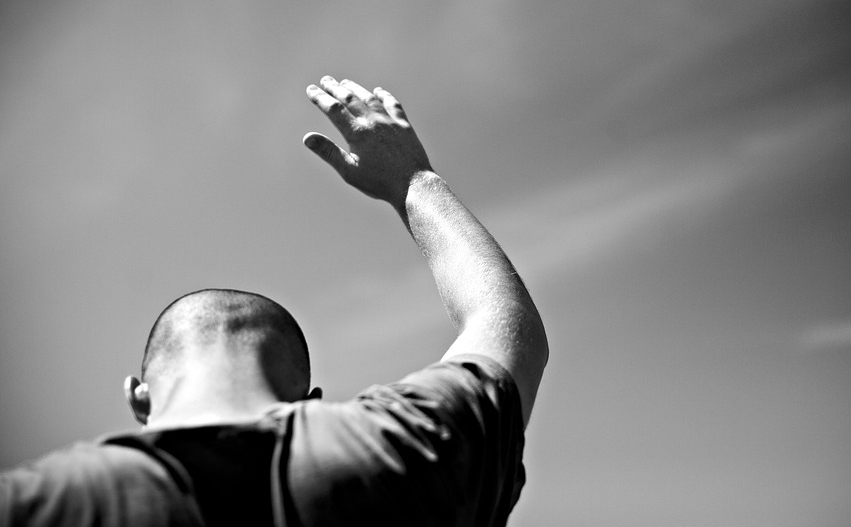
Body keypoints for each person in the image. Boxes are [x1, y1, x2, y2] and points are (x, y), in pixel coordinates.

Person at [0, 76, 549, 527]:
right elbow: (506, 322)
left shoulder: (38, 502)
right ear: (309, 401)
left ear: (138, 398)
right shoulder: (407, 450)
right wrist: (411, 179)